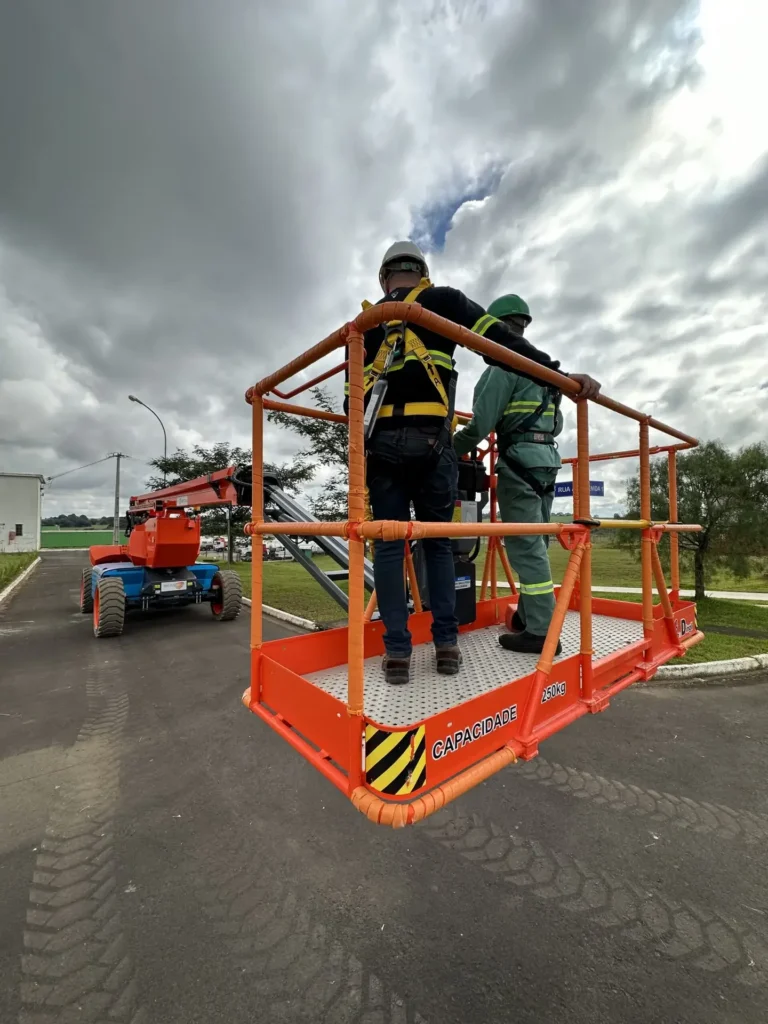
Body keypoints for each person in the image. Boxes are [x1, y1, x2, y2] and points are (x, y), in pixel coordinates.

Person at [345, 245, 600, 685]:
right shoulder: (443, 300)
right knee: (440, 546)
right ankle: (446, 646)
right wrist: (557, 374)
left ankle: (398, 654)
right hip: (434, 451)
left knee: (388, 548)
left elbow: (354, 401)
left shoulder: (365, 327)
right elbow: (500, 342)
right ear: (422, 272)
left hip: (382, 453)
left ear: (385, 278)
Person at [454, 293, 565, 655]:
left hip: (518, 463)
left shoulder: (502, 366)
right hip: (547, 461)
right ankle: (533, 617)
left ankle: (541, 632)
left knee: (526, 548)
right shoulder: (544, 371)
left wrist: (447, 450)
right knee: (538, 545)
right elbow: (557, 424)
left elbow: (480, 425)